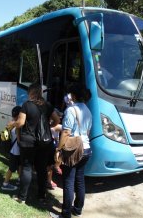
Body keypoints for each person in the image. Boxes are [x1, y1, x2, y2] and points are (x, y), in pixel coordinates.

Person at [8, 83, 60, 203]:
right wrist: (48, 126)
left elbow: (20, 123)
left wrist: (12, 124)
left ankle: (22, 197)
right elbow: (57, 120)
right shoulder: (47, 105)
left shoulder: (27, 105)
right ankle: (41, 197)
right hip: (44, 143)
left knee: (26, 168)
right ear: (40, 93)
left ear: (31, 93)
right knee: (42, 170)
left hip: (28, 142)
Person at [53, 83, 92, 218]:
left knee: (68, 181)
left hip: (73, 150)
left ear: (73, 95)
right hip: (86, 149)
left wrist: (58, 149)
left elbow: (65, 132)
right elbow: (87, 131)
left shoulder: (71, 110)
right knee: (80, 180)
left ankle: (65, 214)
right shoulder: (87, 110)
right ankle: (77, 209)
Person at [1, 105, 22, 191]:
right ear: (19, 115)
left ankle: (20, 180)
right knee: (12, 168)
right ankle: (5, 184)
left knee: (20, 165)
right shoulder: (17, 126)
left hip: (13, 150)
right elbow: (19, 139)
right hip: (16, 150)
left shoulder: (11, 123)